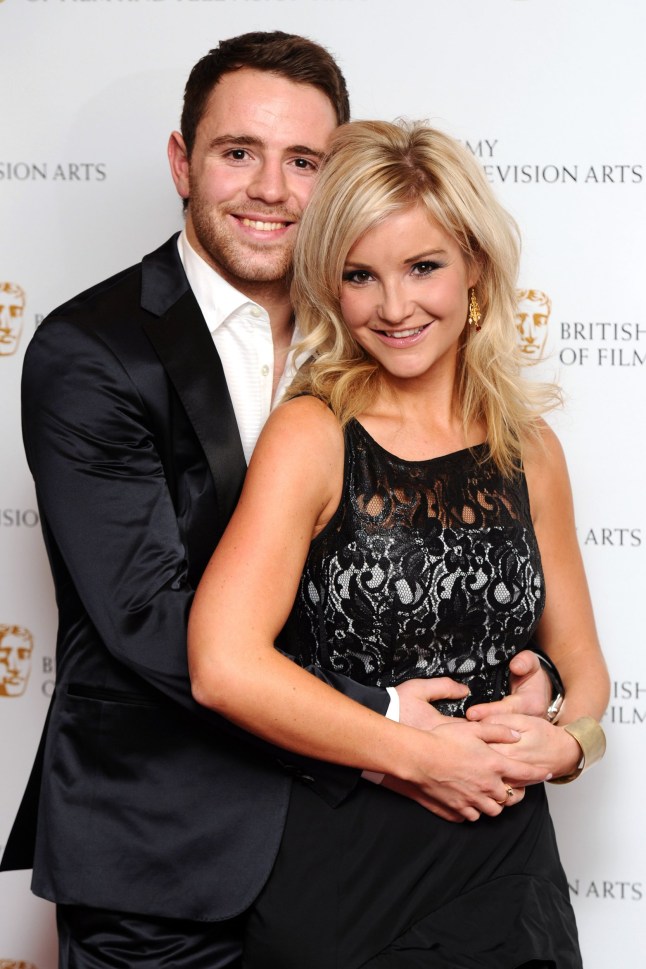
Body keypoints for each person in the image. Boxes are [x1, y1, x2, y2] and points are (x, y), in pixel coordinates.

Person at [1, 31, 561, 968]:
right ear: (182, 162)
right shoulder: (88, 351)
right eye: (237, 154)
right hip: (161, 853)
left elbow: (423, 556)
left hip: (347, 852)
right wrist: (389, 720)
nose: (271, 190)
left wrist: (522, 686)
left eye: (303, 161)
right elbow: (149, 617)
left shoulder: (371, 330)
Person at [187, 120, 610, 968]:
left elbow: (582, 663)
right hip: (353, 872)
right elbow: (222, 664)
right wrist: (418, 756)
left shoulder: (529, 447)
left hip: (508, 866)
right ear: (330, 286)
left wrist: (567, 741)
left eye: (423, 267)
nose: (394, 306)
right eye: (359, 275)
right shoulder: (312, 434)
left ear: (475, 267)